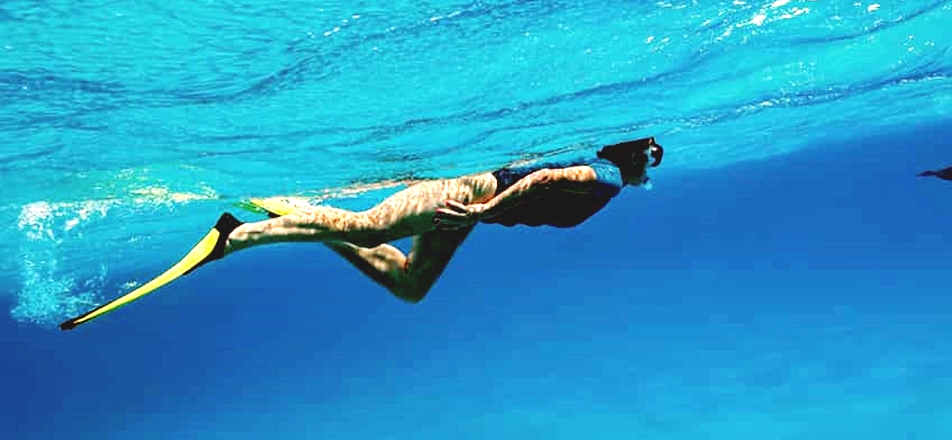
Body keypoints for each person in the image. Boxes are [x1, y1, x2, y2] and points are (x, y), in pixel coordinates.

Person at [59, 136, 664, 330]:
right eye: (652, 156)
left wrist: (483, 212)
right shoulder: (609, 177)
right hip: (467, 197)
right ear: (633, 156)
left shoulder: (608, 169)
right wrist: (483, 212)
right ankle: (232, 237)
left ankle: (293, 213)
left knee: (410, 285)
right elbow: (549, 179)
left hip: (470, 205)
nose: (652, 167)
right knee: (368, 227)